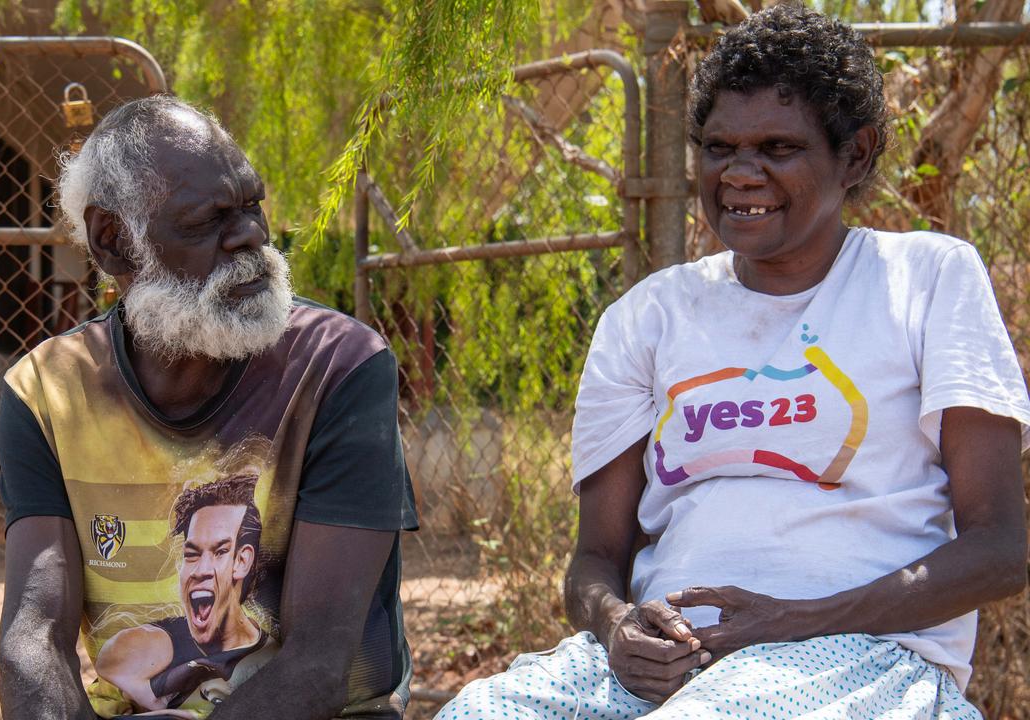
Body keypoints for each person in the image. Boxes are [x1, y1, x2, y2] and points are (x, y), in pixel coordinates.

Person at [438, 5, 1029, 718]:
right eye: (719, 148)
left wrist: (798, 619)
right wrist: (619, 626)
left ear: (857, 155)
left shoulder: (927, 280)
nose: (740, 174)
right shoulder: (646, 318)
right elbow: (595, 561)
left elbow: (999, 548)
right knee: (478, 712)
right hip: (672, 665)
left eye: (777, 148)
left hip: (868, 655)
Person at [0, 96, 419, 720]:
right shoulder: (47, 392)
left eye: (253, 206)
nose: (250, 235)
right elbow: (33, 636)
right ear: (114, 243)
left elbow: (323, 662)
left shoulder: (339, 367)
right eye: (207, 220)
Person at [95, 474, 277, 713]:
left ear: (242, 561)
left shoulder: (272, 652)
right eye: (192, 554)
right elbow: (108, 661)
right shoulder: (160, 644)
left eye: (220, 551)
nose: (200, 571)